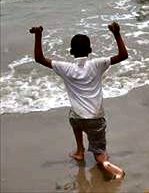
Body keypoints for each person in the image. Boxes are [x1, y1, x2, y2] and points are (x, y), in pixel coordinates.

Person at [28, 22, 128, 180]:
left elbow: (39, 58)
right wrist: (116, 34)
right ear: (90, 50)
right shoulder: (97, 64)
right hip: (95, 118)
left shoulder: (65, 67)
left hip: (77, 118)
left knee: (74, 117)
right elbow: (123, 55)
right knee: (100, 156)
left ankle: (80, 151)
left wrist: (38, 35)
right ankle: (114, 170)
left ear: (71, 52)